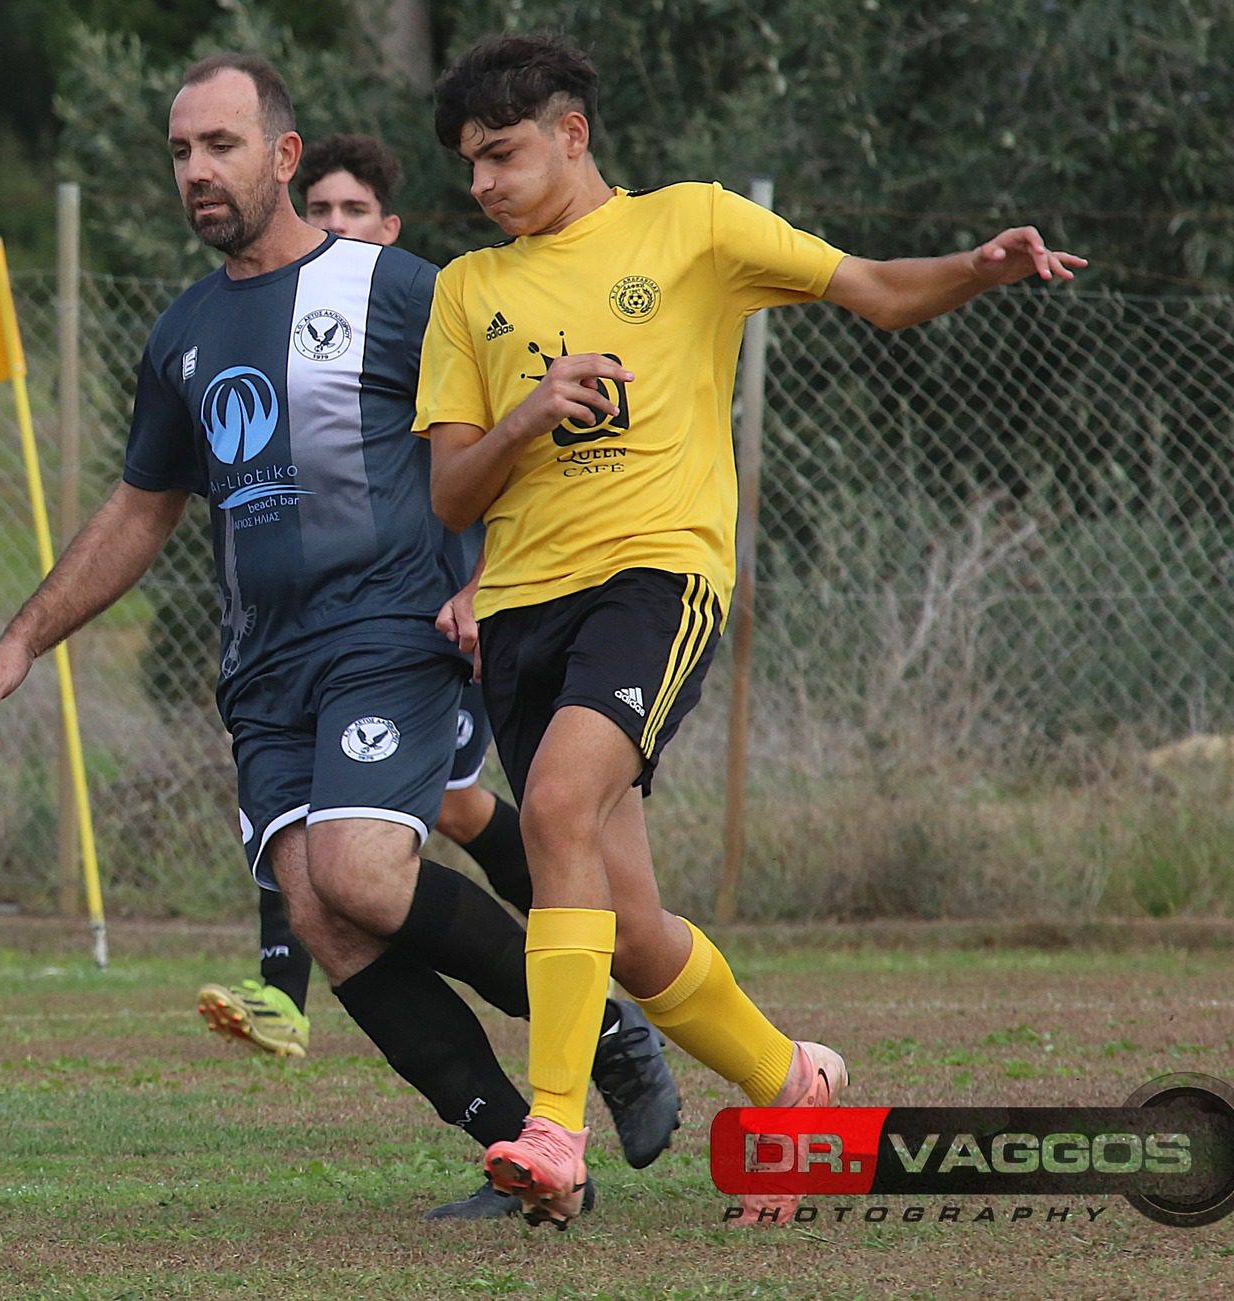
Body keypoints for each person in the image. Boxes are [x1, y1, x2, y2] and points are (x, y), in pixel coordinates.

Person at [0, 55, 675, 1223]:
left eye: (220, 145)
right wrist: (22, 641)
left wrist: (487, 579)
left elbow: (503, 435)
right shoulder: (183, 332)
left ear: (283, 157)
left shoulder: (394, 288)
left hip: (387, 630)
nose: (197, 170)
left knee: (358, 872)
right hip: (264, 668)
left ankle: (606, 1035)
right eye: (181, 150)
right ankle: (521, 1159)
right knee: (323, 915)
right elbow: (140, 509)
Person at [416, 33, 1085, 1228]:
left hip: (656, 578)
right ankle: (793, 1083)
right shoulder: (468, 289)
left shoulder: (694, 226)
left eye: (502, 155)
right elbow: (452, 495)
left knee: (557, 808)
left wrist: (977, 268)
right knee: (624, 930)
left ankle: (553, 1130)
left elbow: (876, 292)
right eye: (469, 164)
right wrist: (528, 410)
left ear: (571, 135)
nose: (482, 184)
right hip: (519, 610)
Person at [197, 132, 539, 1068]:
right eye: (325, 210)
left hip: (423, 626)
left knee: (448, 813)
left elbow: (504, 447)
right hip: (300, 652)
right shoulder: (243, 326)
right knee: (333, 857)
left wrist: (482, 579)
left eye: (357, 214)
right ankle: (284, 990)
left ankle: (582, 957)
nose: (338, 228)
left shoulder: (416, 305)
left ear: (387, 228)